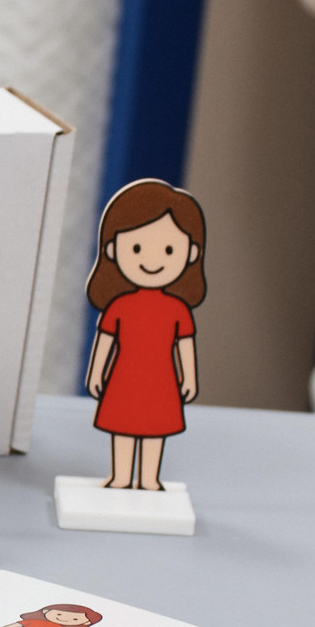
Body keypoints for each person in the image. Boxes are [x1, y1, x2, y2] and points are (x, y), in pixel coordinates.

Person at [84, 178, 207, 490]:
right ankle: (121, 477)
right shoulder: (118, 306)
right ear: (112, 249)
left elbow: (185, 344)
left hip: (162, 381)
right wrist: (96, 372)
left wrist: (190, 378)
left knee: (156, 429)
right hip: (123, 377)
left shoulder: (178, 310)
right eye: (136, 248)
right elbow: (105, 340)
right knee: (122, 427)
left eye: (169, 250)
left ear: (191, 253)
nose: (152, 260)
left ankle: (150, 479)